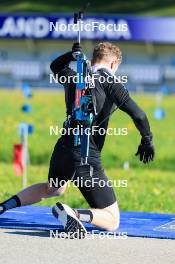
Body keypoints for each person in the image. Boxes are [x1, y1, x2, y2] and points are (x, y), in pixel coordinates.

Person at [0, 42, 155, 238]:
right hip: (85, 154)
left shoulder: (75, 78)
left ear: (92, 60)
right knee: (113, 220)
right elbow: (139, 115)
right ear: (114, 63)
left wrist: (72, 55)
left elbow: (55, 66)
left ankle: (4, 206)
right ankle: (72, 213)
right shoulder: (110, 82)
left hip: (64, 145)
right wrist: (147, 140)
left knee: (54, 188)